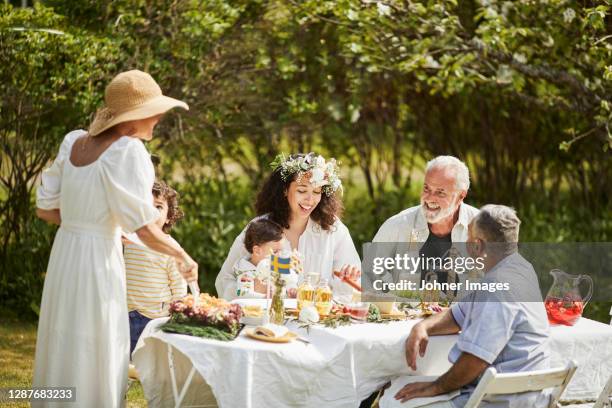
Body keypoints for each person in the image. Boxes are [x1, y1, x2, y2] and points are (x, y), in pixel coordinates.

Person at [33, 70, 198, 407]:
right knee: (99, 341)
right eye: (154, 111)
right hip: (97, 260)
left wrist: (88, 222)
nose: (159, 118)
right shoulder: (128, 151)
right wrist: (182, 256)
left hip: (66, 253)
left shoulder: (73, 140)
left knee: (65, 336)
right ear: (133, 117)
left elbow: (46, 209)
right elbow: (145, 228)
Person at [392, 205, 551, 407]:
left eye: (467, 239)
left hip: (498, 400)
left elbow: (475, 360)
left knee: (396, 398)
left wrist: (435, 387)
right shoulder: (520, 268)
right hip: (526, 395)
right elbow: (458, 314)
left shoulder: (496, 287)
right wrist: (423, 327)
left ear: (477, 245)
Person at [216, 152, 361, 302]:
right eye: (302, 191)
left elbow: (353, 290)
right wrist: (254, 290)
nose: (310, 200)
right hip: (265, 321)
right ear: (285, 190)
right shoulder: (260, 228)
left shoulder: (333, 229)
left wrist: (349, 281)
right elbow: (224, 280)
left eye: (317, 191)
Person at [370, 155, 479, 289]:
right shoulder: (397, 226)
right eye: (426, 189)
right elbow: (370, 274)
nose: (429, 199)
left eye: (440, 193)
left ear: (461, 195)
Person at [124, 180, 187, 356]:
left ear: (168, 216)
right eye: (147, 205)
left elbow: (179, 287)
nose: (151, 211)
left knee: (147, 364)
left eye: (158, 207)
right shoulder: (129, 239)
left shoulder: (170, 247)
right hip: (125, 312)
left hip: (153, 318)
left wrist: (176, 317)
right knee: (122, 363)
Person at [233, 218, 284, 298]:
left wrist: (292, 290)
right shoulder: (246, 273)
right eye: (275, 252)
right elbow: (242, 295)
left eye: (280, 251)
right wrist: (264, 296)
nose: (279, 255)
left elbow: (289, 282)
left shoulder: (276, 264)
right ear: (257, 251)